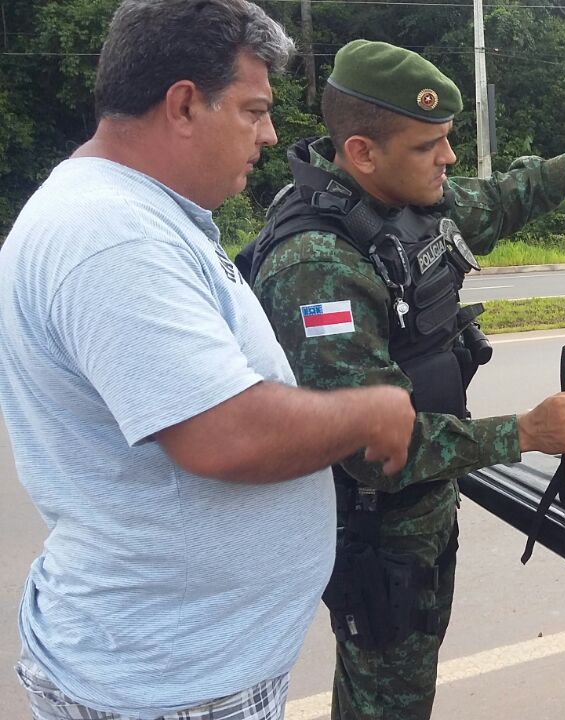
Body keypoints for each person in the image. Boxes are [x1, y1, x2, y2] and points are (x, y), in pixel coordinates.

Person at [0, 4, 417, 719]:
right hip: (167, 686)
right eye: (254, 110)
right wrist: (370, 409)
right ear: (185, 104)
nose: (270, 134)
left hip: (179, 667)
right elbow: (225, 434)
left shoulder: (143, 215)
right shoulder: (112, 236)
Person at [241, 39, 565, 720]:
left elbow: (502, 200)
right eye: (428, 146)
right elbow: (372, 452)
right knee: (387, 704)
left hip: (422, 515)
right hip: (378, 530)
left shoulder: (399, 203)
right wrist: (525, 432)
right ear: (362, 152)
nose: (446, 158)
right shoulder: (319, 268)